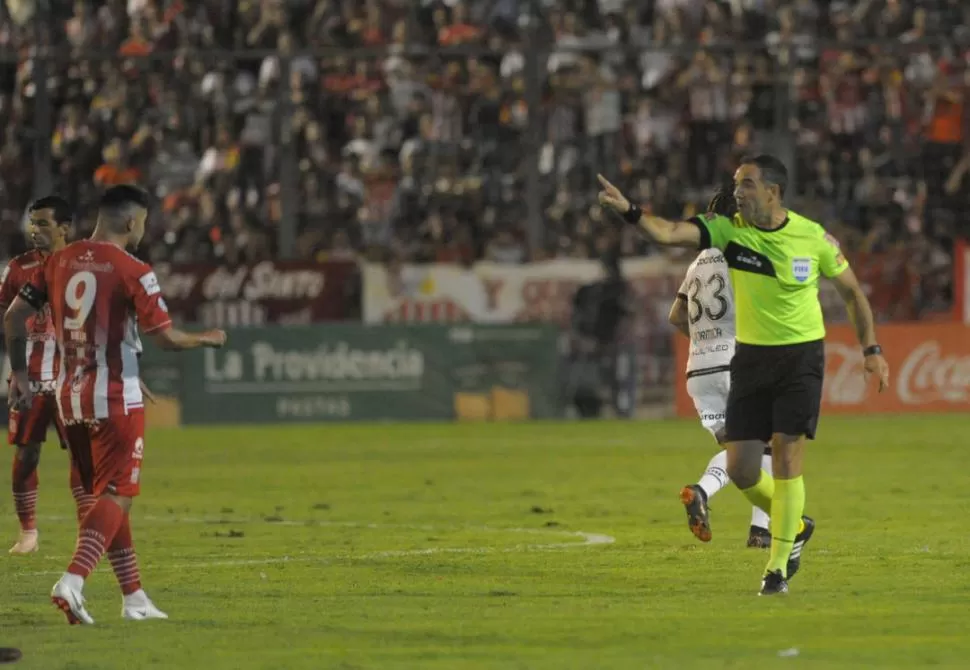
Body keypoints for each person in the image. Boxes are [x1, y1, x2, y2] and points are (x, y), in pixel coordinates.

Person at [597, 155, 890, 595]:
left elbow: (852, 293)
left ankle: (776, 569)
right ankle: (794, 527)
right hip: (748, 360)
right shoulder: (730, 232)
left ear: (772, 191)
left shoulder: (813, 238)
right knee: (742, 468)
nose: (739, 191)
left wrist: (872, 350)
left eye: (747, 184)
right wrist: (630, 211)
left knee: (788, 461)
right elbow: (669, 232)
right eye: (737, 183)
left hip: (799, 359)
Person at [4, 185, 228, 624]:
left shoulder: (57, 261)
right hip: (115, 399)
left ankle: (135, 598)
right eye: (143, 223)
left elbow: (13, 317)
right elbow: (165, 337)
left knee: (103, 494)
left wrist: (22, 373)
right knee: (119, 494)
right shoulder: (133, 268)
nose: (142, 231)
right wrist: (206, 338)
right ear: (130, 221)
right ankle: (72, 580)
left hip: (69, 398)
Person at [669, 187, 771, 549]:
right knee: (768, 442)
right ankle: (761, 530)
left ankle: (703, 492)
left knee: (739, 448)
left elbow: (676, 315)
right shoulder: (742, 252)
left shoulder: (699, 262)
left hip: (699, 369)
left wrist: (703, 341)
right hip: (736, 361)